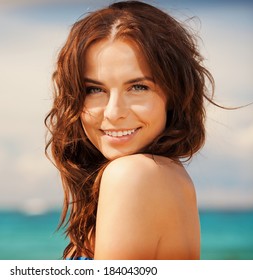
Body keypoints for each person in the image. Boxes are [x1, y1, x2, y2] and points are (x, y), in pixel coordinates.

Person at [45, 0, 215, 260]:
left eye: (138, 87)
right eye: (94, 89)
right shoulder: (166, 174)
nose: (113, 112)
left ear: (174, 93)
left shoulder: (133, 175)